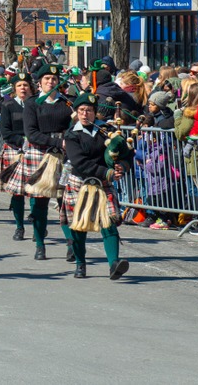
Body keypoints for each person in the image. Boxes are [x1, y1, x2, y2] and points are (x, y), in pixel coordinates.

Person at [61, 92, 133, 280]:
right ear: (77, 112)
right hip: (80, 183)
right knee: (78, 226)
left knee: (108, 222)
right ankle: (80, 264)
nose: (85, 114)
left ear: (95, 113)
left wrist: (122, 166)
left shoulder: (106, 131)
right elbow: (80, 163)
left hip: (103, 184)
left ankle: (114, 264)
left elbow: (125, 154)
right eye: (82, 110)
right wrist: (107, 172)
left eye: (89, 111)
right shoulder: (71, 135)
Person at [19, 64, 72, 260]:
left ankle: (71, 244)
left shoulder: (67, 103)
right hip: (41, 154)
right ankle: (40, 244)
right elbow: (31, 133)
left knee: (65, 201)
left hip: (65, 156)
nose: (51, 82)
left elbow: (74, 126)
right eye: (47, 79)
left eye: (54, 79)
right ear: (39, 82)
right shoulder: (32, 104)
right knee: (40, 203)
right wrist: (58, 141)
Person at [0, 72, 32, 239]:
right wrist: (20, 141)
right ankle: (19, 226)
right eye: (19, 85)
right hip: (15, 150)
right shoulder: (8, 106)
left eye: (25, 85)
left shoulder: (36, 104)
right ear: (14, 89)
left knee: (36, 190)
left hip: (34, 150)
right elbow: (5, 131)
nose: (23, 88)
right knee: (17, 192)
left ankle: (39, 223)